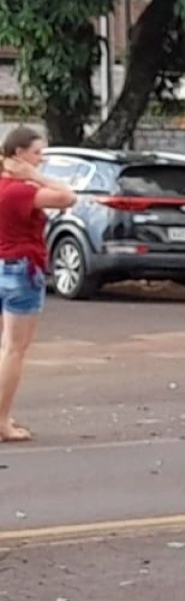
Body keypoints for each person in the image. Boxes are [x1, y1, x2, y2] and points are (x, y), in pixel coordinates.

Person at [0, 126, 76, 441]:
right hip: (20, 268)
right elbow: (68, 197)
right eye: (37, 154)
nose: (41, 160)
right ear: (19, 154)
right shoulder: (20, 191)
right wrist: (36, 177)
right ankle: (1, 421)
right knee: (14, 349)